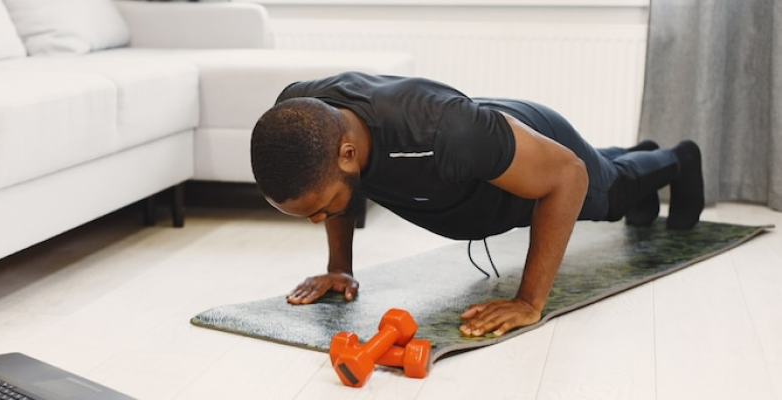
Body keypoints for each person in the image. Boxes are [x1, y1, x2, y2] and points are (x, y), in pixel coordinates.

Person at [249, 72, 704, 338]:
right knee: (602, 169)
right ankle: (635, 156)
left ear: (348, 154)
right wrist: (339, 269)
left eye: (322, 208)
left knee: (610, 194)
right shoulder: (302, 116)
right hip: (493, 138)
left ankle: (678, 159)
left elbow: (569, 175)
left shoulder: (444, 136)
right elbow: (328, 184)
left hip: (533, 139)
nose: (317, 219)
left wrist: (528, 301)